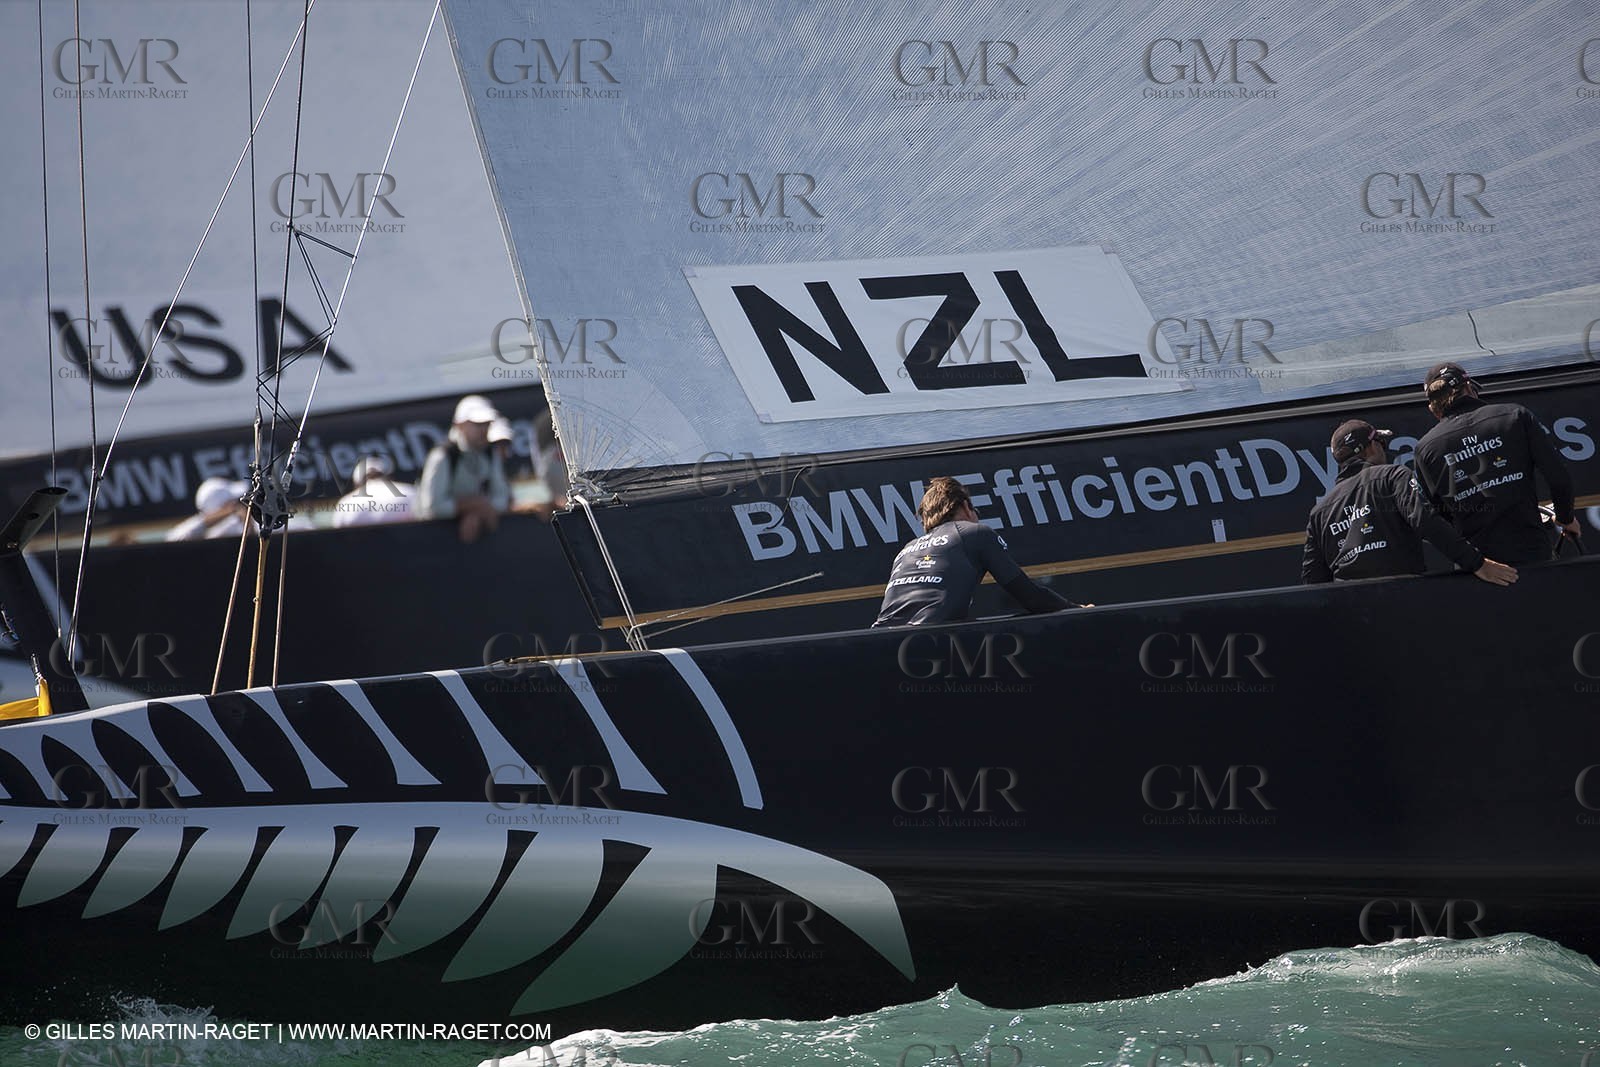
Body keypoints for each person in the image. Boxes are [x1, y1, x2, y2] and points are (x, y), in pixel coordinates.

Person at [1302, 419, 1517, 585]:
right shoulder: (1392, 476)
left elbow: (1313, 581)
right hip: (1401, 595)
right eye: (1381, 442)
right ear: (1370, 447)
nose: (1384, 449)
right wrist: (1477, 563)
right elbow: (1425, 520)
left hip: (1350, 609)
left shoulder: (1319, 512)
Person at [1412, 362, 1578, 564]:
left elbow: (1433, 514)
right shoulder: (1514, 416)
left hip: (1479, 565)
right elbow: (1558, 477)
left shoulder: (1425, 448)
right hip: (1532, 551)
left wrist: (1472, 559)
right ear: (1469, 388)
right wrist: (1565, 518)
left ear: (1433, 408)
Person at [874, 476, 1085, 626]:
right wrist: (1076, 610)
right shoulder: (975, 533)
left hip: (880, 638)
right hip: (929, 642)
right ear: (966, 507)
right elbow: (1029, 596)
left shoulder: (907, 549)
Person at [418, 394, 511, 543]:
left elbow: (502, 497)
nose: (484, 430)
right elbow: (432, 508)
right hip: (435, 540)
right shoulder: (442, 456)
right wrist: (473, 506)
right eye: (477, 424)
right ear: (459, 425)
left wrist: (477, 512)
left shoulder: (490, 453)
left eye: (487, 424)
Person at [332, 455, 416, 528]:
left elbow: (338, 536)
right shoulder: (410, 492)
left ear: (356, 485)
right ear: (389, 477)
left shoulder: (346, 503)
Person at [166, 477, 248, 542]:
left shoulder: (236, 523)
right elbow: (173, 539)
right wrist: (228, 511)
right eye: (232, 502)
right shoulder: (204, 529)